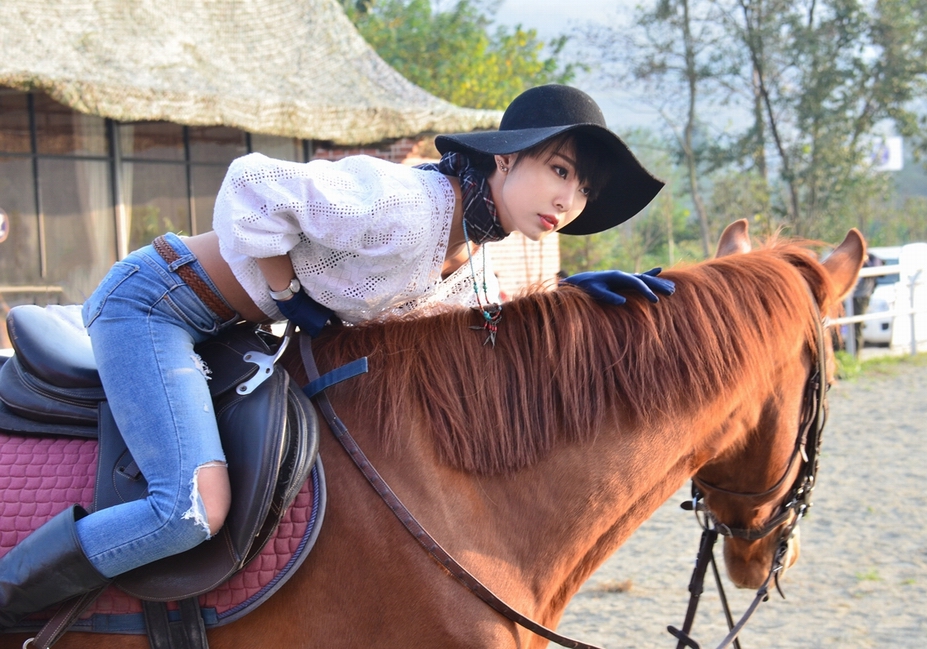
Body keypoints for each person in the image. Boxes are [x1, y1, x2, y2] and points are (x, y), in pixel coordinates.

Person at [0, 84, 675, 625]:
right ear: (505, 158)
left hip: (226, 329)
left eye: (583, 189)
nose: (568, 199)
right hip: (157, 304)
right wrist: (285, 291)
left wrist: (577, 300)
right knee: (190, 509)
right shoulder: (408, 205)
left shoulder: (467, 253)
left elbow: (483, 327)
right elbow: (251, 184)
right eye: (559, 170)